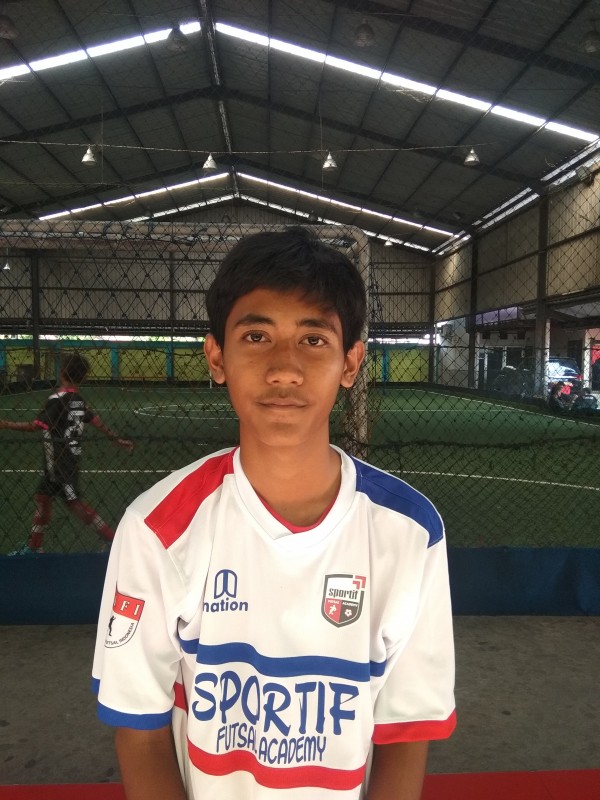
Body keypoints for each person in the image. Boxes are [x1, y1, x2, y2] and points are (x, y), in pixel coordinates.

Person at [92, 227, 456, 800]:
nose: (284, 369)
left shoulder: (410, 534)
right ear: (217, 357)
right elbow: (140, 731)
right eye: (257, 336)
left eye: (313, 340)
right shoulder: (157, 529)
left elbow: (405, 733)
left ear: (351, 362)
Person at [0, 352, 133, 555]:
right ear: (83, 377)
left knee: (74, 504)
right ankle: (35, 547)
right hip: (64, 461)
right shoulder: (78, 400)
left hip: (60, 463)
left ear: (62, 372)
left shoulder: (57, 399)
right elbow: (95, 420)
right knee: (43, 498)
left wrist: (5, 424)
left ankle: (113, 541)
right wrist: (116, 438)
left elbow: (36, 425)